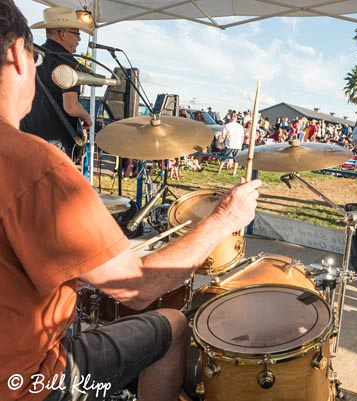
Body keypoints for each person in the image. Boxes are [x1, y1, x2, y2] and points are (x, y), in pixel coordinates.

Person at [0, 3, 261, 400]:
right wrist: (225, 217)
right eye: (35, 58)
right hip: (26, 382)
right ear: (18, 55)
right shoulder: (32, 165)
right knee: (173, 324)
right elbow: (135, 287)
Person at [20, 7, 93, 162]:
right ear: (63, 34)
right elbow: (71, 107)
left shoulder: (31, 55)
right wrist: (86, 117)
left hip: (24, 135)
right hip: (53, 141)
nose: (79, 40)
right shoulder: (67, 63)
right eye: (77, 34)